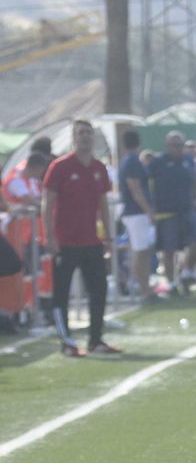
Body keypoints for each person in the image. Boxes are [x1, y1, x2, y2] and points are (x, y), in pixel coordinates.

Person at [41, 119, 118, 356]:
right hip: (65, 241)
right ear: (73, 138)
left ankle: (96, 340)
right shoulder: (60, 166)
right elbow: (48, 203)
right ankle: (67, 341)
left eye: (88, 133)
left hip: (91, 241)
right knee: (62, 293)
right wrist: (50, 237)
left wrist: (107, 235)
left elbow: (103, 204)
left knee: (99, 289)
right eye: (80, 133)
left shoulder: (99, 168)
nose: (85, 137)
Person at [150, 131, 196, 296]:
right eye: (175, 145)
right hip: (167, 212)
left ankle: (186, 272)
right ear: (167, 145)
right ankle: (172, 283)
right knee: (169, 250)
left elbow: (194, 180)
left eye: (181, 145)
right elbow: (146, 182)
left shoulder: (188, 161)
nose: (178, 149)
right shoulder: (159, 162)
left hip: (187, 208)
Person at [117, 130, 159, 300]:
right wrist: (149, 210)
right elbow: (135, 188)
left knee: (145, 250)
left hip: (135, 212)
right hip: (136, 212)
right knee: (140, 251)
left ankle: (145, 286)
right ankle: (143, 289)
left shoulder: (127, 161)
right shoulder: (133, 162)